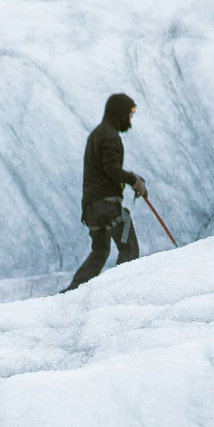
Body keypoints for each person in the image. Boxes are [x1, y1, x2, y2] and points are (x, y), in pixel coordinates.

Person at [66, 93, 149, 291]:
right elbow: (111, 169)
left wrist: (131, 180)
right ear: (119, 114)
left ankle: (72, 292)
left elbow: (106, 169)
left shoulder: (97, 134)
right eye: (128, 115)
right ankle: (120, 291)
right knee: (128, 247)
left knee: (100, 251)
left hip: (91, 207)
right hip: (106, 205)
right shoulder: (109, 136)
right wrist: (133, 180)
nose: (130, 120)